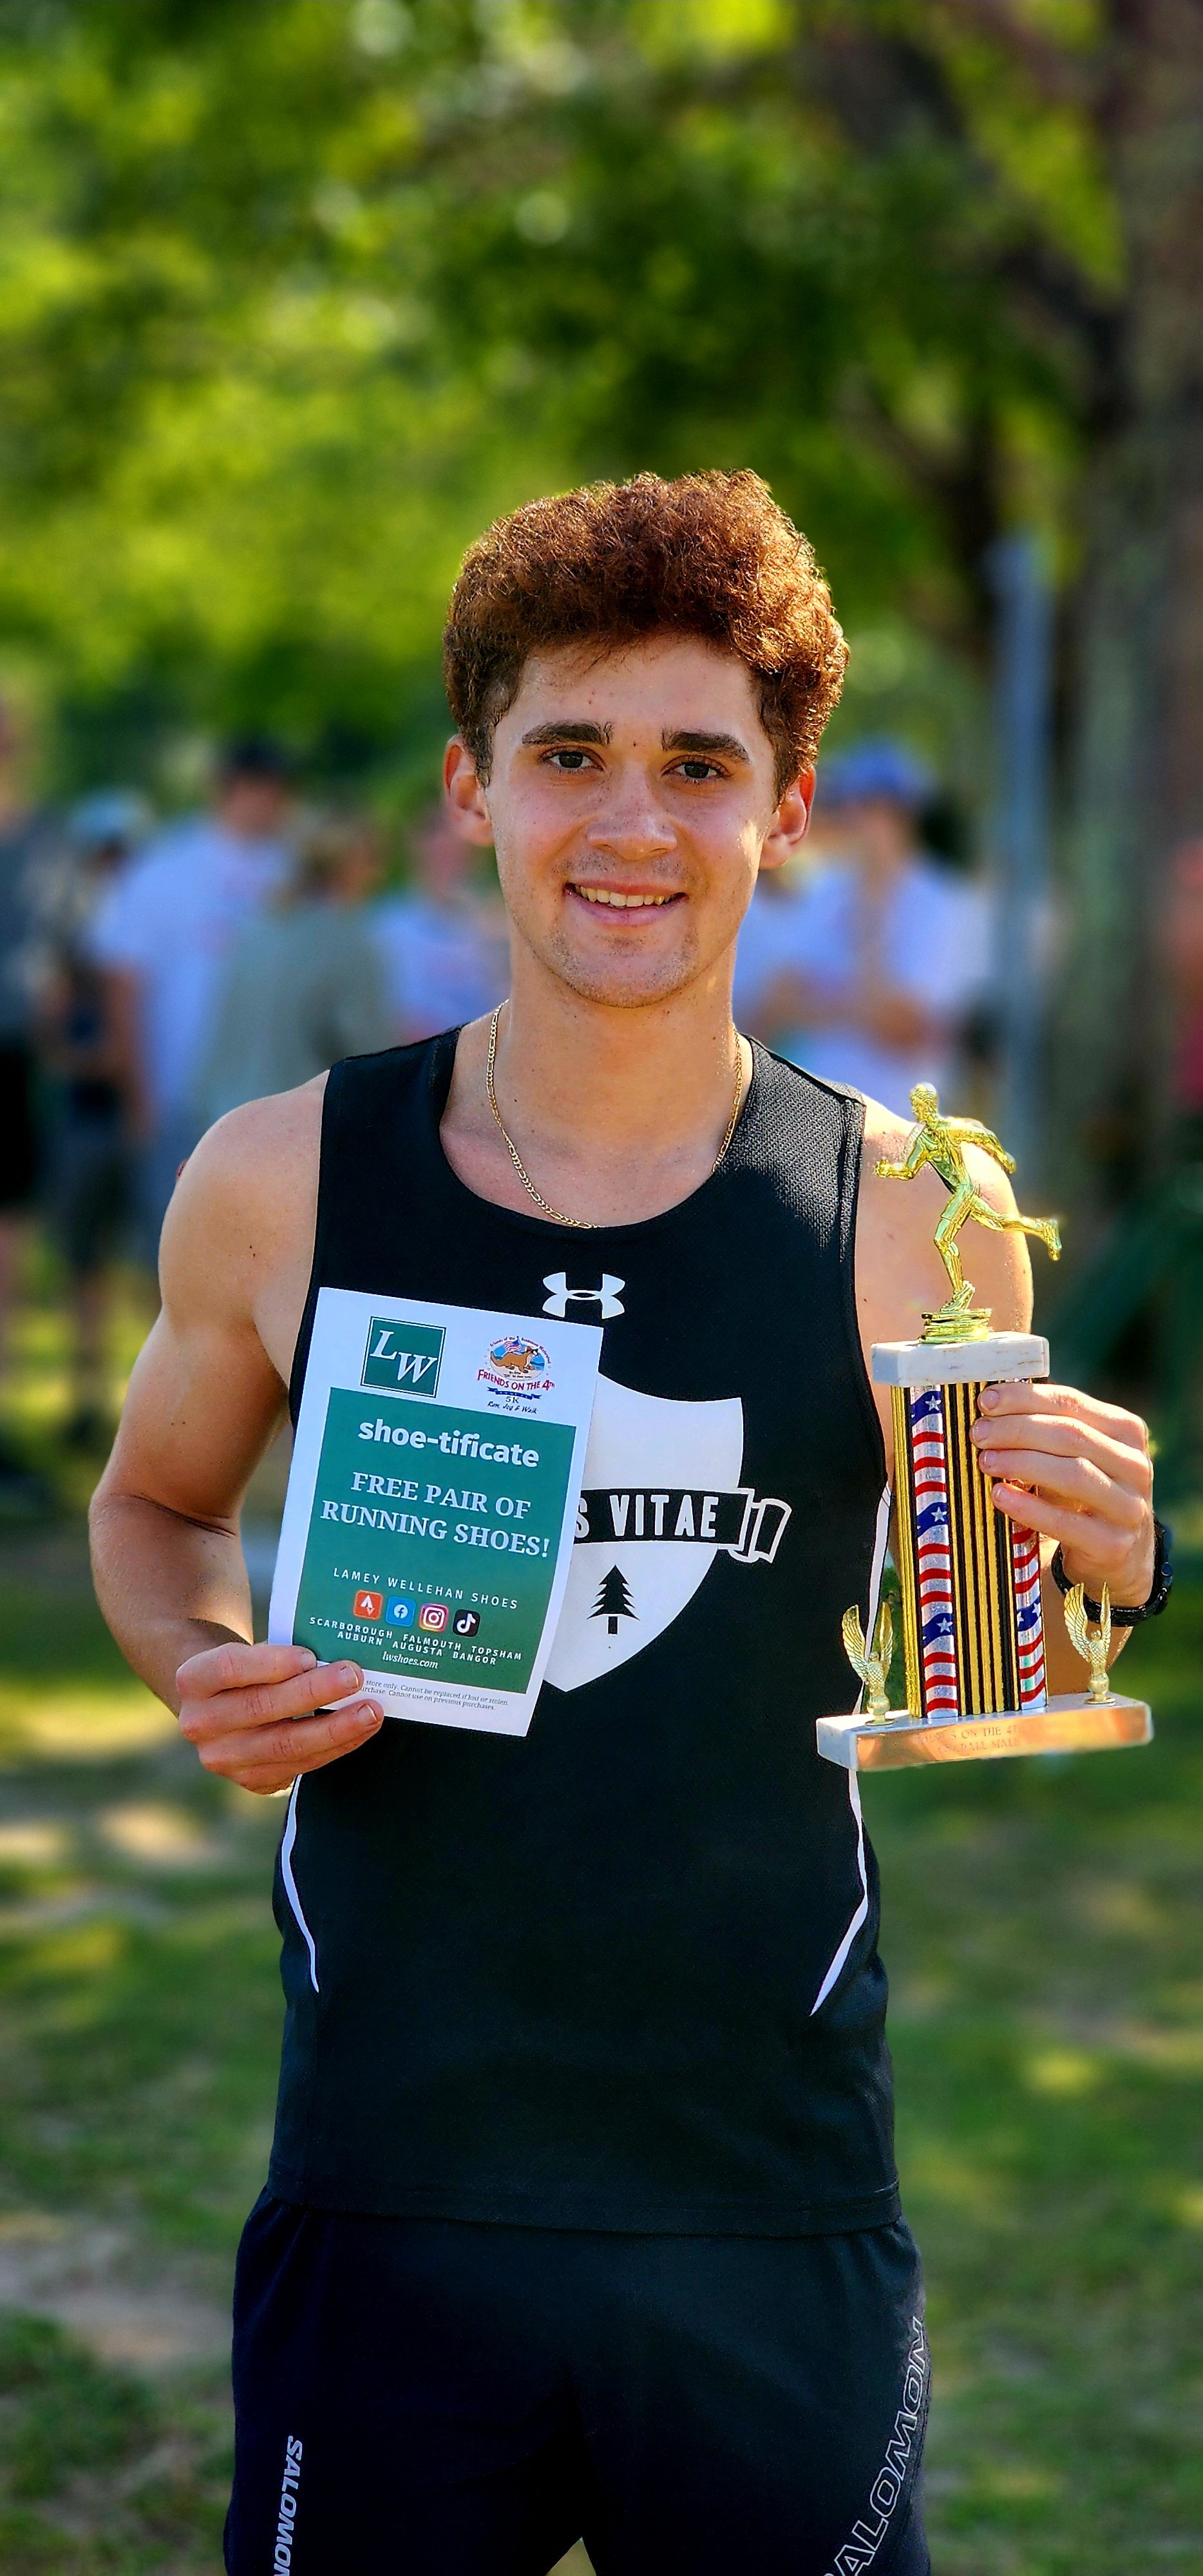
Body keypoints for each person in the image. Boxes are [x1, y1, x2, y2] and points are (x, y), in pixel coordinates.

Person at [90, 471, 1161, 2576]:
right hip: (396, 2171)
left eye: (698, 765)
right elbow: (148, 1506)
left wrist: (1095, 1573)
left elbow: (989, 1669)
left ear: (783, 811)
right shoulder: (283, 1174)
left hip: (761, 2186)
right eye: (567, 754)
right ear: (469, 788)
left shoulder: (909, 1219)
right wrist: (200, 1655)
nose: (629, 823)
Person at [88, 736, 295, 1264]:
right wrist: (138, 1094)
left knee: (260, 1255)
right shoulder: (163, 870)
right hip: (180, 1092)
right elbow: (122, 984)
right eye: (267, 790)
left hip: (272, 1098)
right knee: (173, 1250)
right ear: (233, 790)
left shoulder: (292, 875)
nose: (278, 803)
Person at [743, 739, 990, 1116]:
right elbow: (776, 1005)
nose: (851, 817)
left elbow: (901, 1029)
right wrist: (858, 1010)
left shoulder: (942, 905)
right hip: (815, 1118)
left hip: (899, 1125)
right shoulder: (826, 890)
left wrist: (867, 933)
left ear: (902, 816)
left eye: (867, 806)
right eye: (848, 805)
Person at [41, 792, 149, 1447]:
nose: (112, 866)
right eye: (103, 854)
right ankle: (88, 1397)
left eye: (121, 853)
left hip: (144, 1119)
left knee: (160, 1268)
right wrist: (88, 1057)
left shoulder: (153, 927)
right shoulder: (69, 931)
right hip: (85, 1120)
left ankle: (154, 1410)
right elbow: (52, 1026)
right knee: (86, 1266)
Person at [193, 810, 394, 1130]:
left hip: (221, 1132)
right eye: (372, 858)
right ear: (349, 863)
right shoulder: (347, 943)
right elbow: (373, 1063)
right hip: (295, 1143)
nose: (378, 873)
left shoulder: (256, 931)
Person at [372, 796, 507, 1040]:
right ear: (415, 843)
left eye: (454, 835)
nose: (445, 846)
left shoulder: (501, 921)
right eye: (434, 834)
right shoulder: (384, 923)